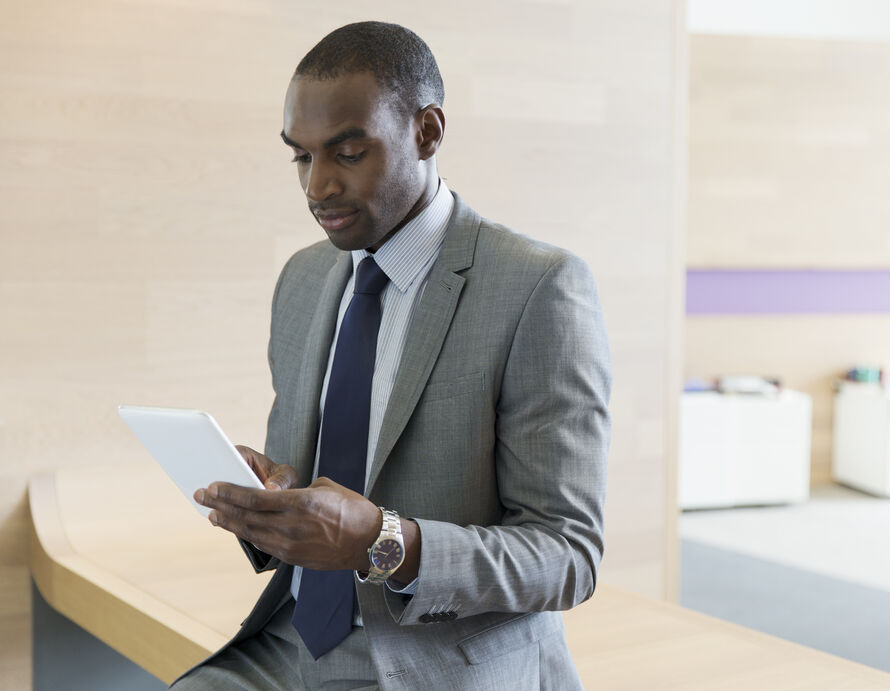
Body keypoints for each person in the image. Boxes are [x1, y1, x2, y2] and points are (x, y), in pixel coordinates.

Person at [173, 21, 611, 690]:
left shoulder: (537, 287)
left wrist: (381, 541)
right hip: (292, 642)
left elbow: (566, 555)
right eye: (300, 156)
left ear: (427, 132)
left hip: (443, 660)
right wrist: (270, 504)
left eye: (348, 153)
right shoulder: (302, 279)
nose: (317, 186)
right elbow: (313, 488)